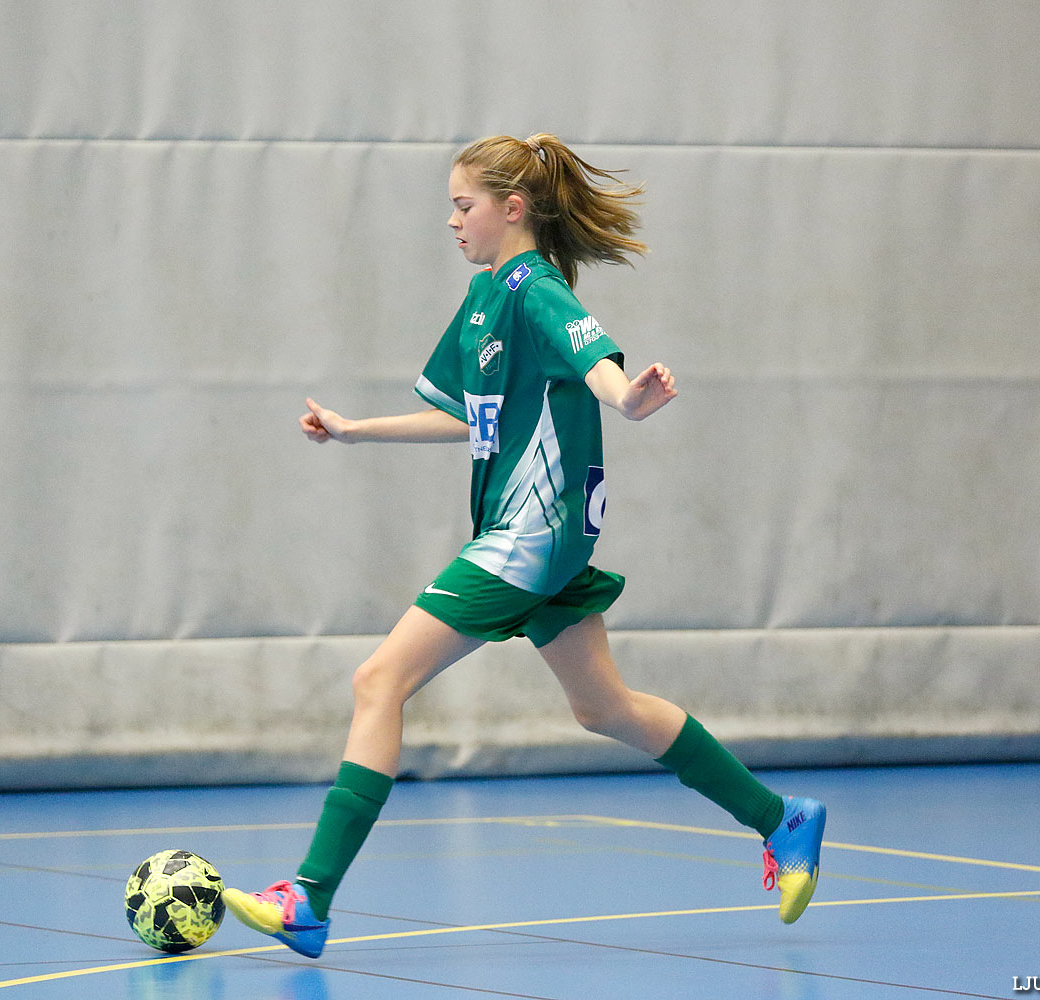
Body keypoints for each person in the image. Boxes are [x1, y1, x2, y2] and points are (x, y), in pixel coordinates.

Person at [222, 134, 826, 959]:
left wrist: (629, 398)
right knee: (604, 708)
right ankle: (781, 820)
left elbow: (599, 364)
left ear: (513, 209)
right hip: (539, 543)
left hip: (530, 537)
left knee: (378, 680)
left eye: (463, 204)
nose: (451, 220)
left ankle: (310, 896)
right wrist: (355, 430)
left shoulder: (536, 290)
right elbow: (469, 418)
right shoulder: (481, 302)